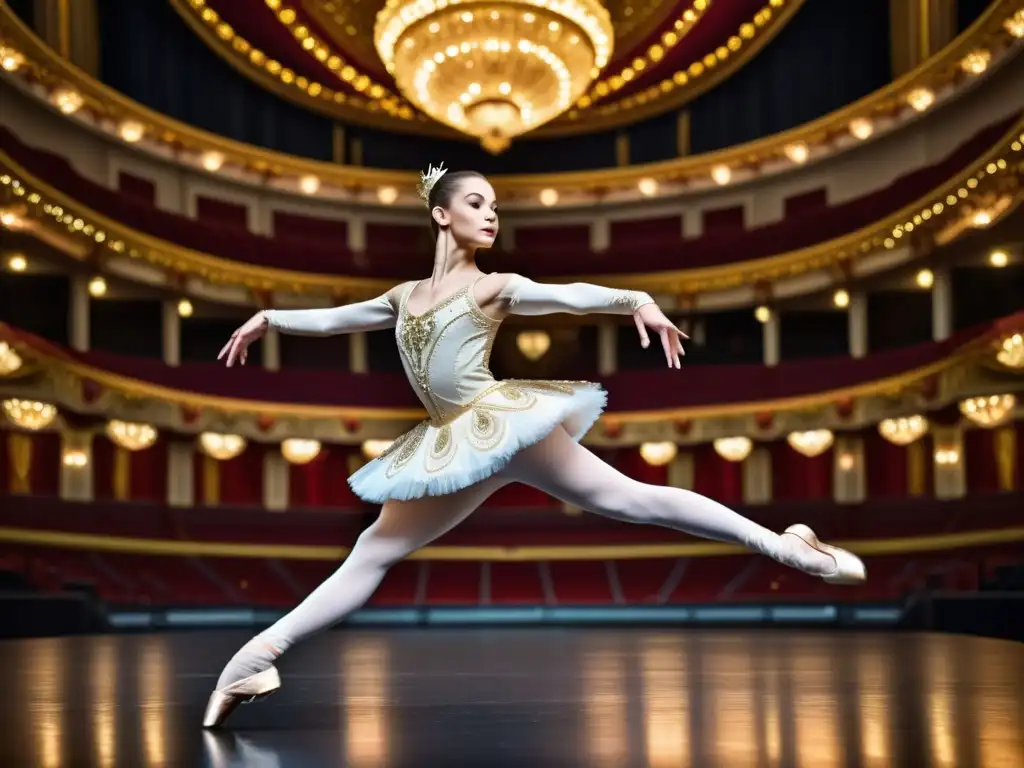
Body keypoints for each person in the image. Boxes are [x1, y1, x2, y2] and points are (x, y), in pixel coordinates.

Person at [202, 163, 865, 728]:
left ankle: (785, 547)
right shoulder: (404, 297)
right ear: (440, 215)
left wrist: (632, 299)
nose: (491, 216)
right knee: (373, 550)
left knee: (634, 501)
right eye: (476, 203)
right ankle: (254, 660)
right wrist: (269, 318)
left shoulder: (494, 286)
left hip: (498, 424)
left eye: (494, 207)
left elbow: (566, 297)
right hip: (452, 443)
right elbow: (334, 319)